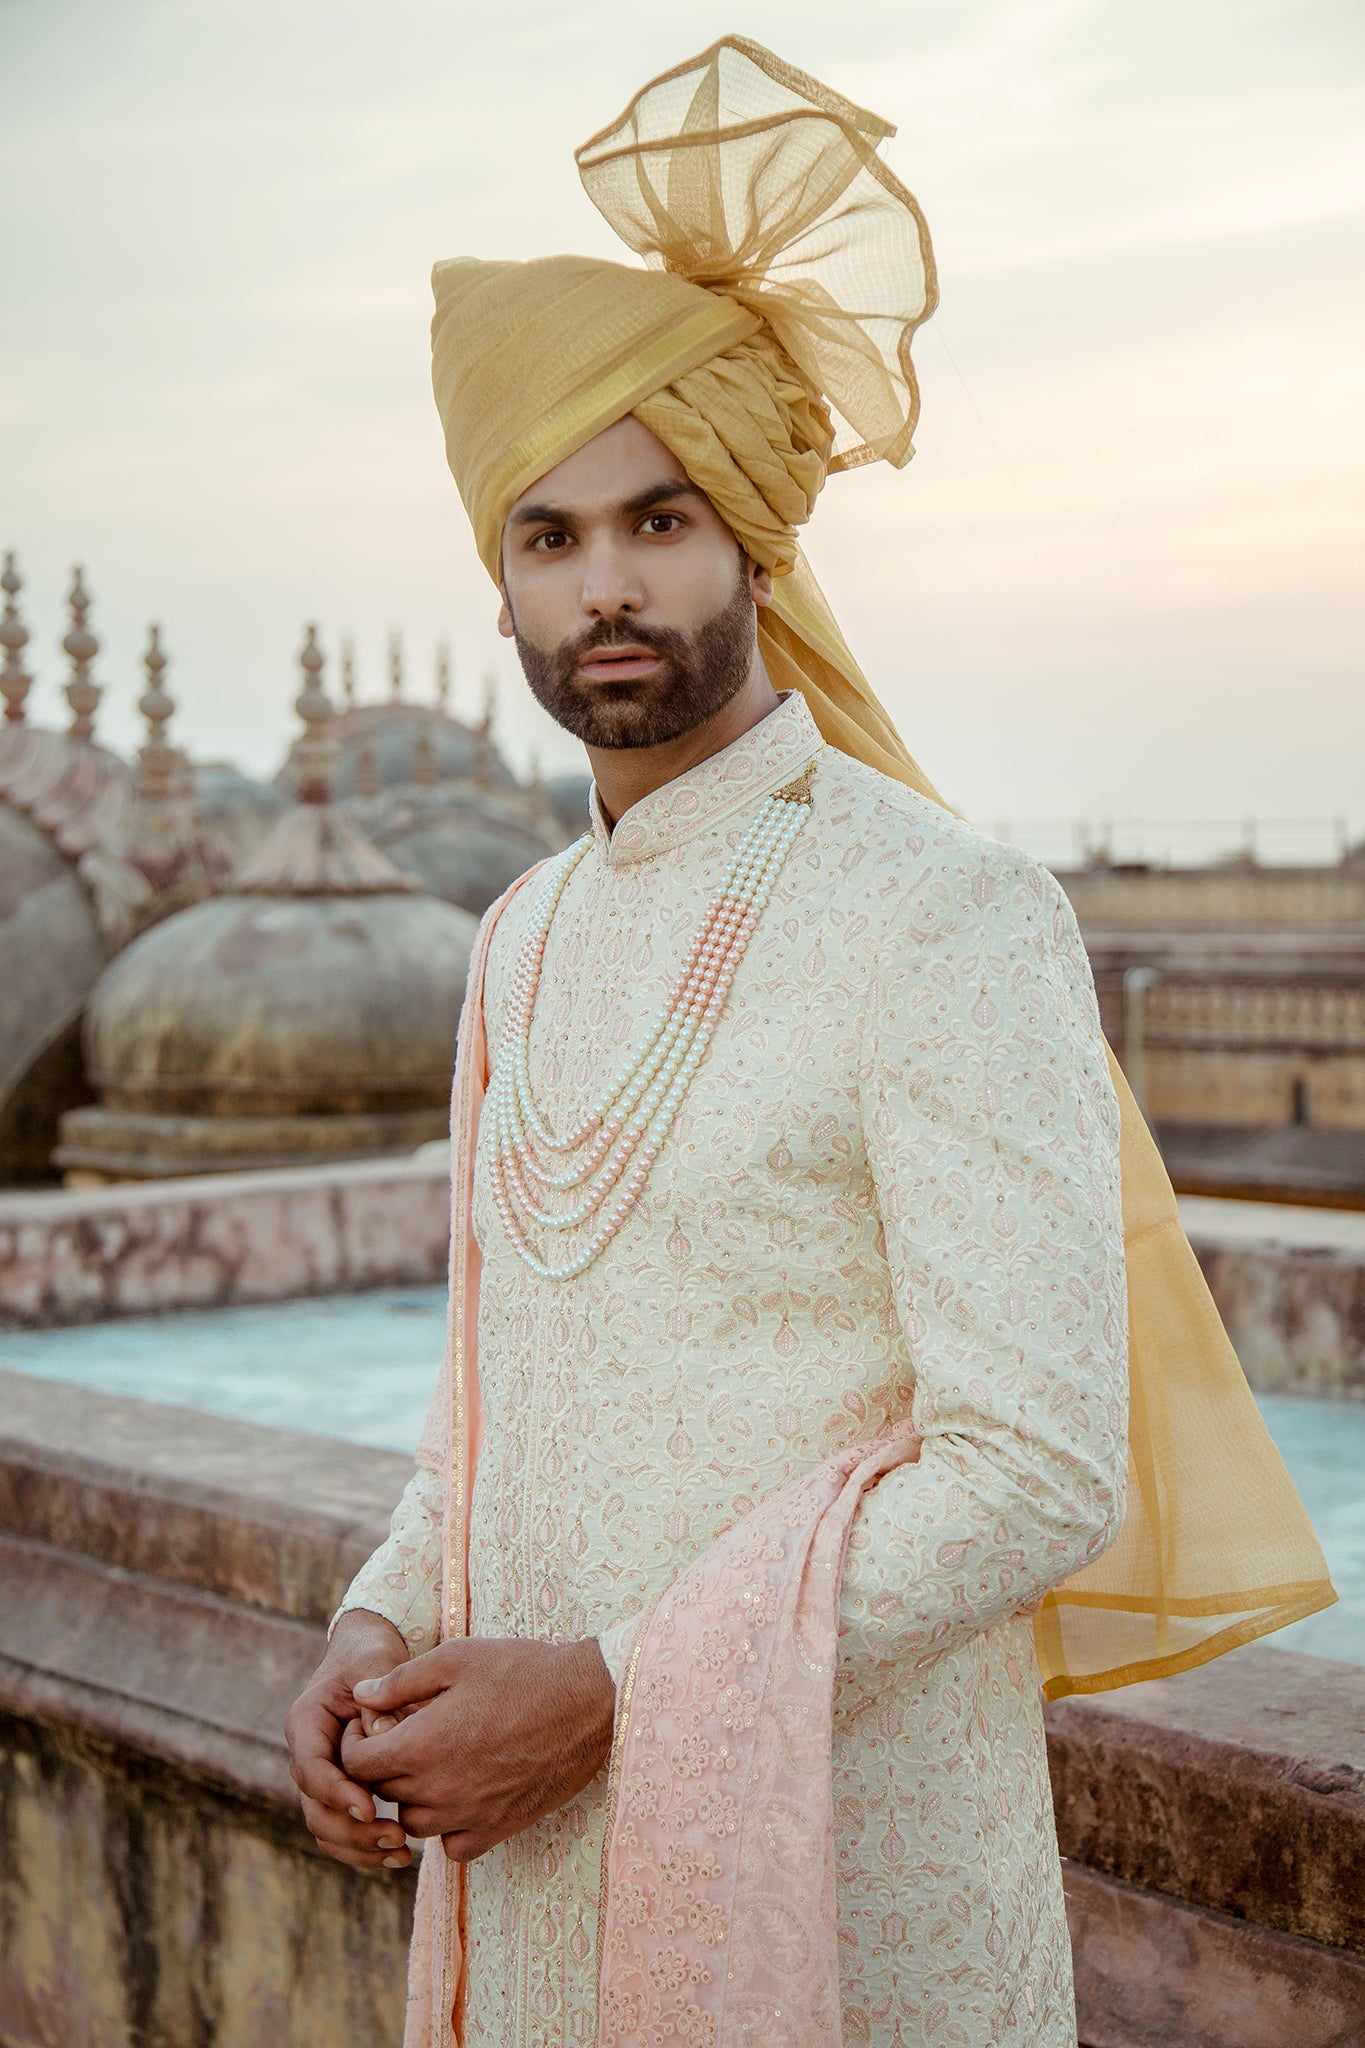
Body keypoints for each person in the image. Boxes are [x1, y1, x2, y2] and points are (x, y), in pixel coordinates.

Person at [285, 37, 1334, 2048]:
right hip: (531, 1883)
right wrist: (376, 1623)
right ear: (496, 579)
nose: (607, 584)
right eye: (550, 533)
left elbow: (1033, 1464)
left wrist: (601, 1694)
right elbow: (495, 1401)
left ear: (753, 535)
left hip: (852, 1884)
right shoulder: (513, 942)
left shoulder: (940, 912)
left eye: (659, 517)